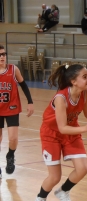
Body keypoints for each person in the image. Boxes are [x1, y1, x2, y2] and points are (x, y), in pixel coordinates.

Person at [34, 63, 87, 201]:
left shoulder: (85, 94)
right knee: (55, 177)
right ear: (73, 81)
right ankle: (40, 198)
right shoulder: (61, 98)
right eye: (84, 77)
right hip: (51, 134)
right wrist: (84, 128)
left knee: (82, 169)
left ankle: (63, 191)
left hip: (71, 131)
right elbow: (62, 128)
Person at [0, 44, 34, 177]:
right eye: (0, 55)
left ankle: (10, 156)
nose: (2, 57)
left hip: (11, 107)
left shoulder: (13, 69)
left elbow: (24, 85)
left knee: (13, 138)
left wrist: (30, 102)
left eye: (4, 54)